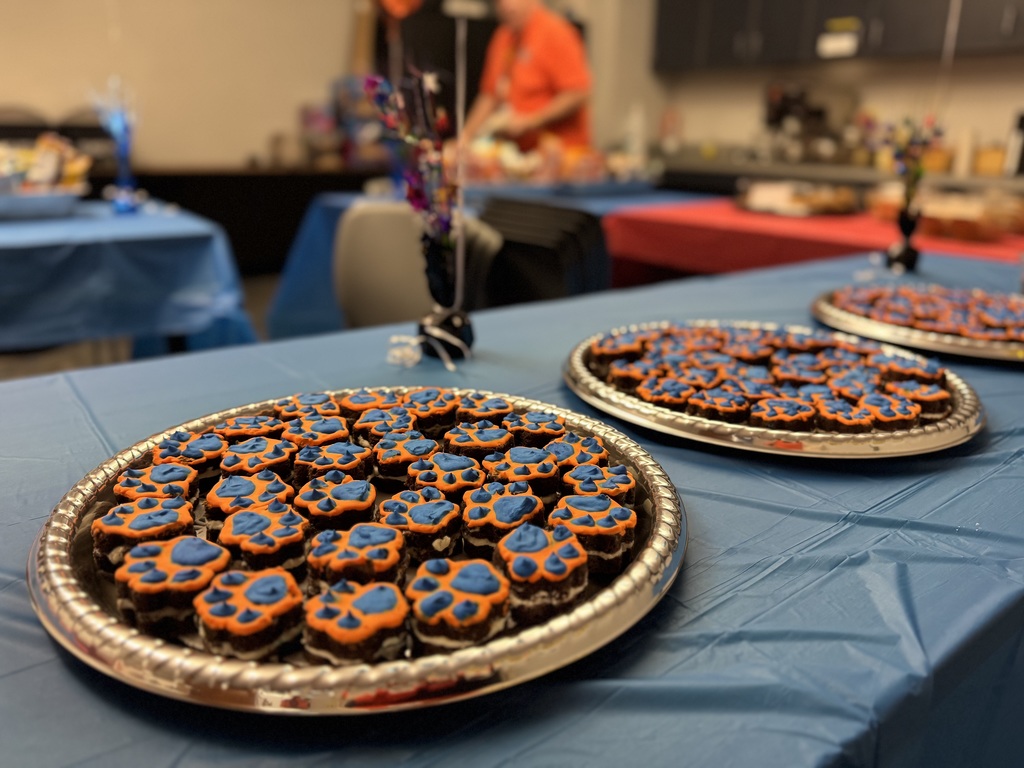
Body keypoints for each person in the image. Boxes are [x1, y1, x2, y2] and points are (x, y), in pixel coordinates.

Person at [461, 0, 592, 152]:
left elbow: (578, 92)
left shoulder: (556, 32)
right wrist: (465, 137)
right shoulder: (503, 36)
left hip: (562, 154)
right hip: (519, 154)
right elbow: (489, 95)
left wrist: (530, 122)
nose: (507, 6)